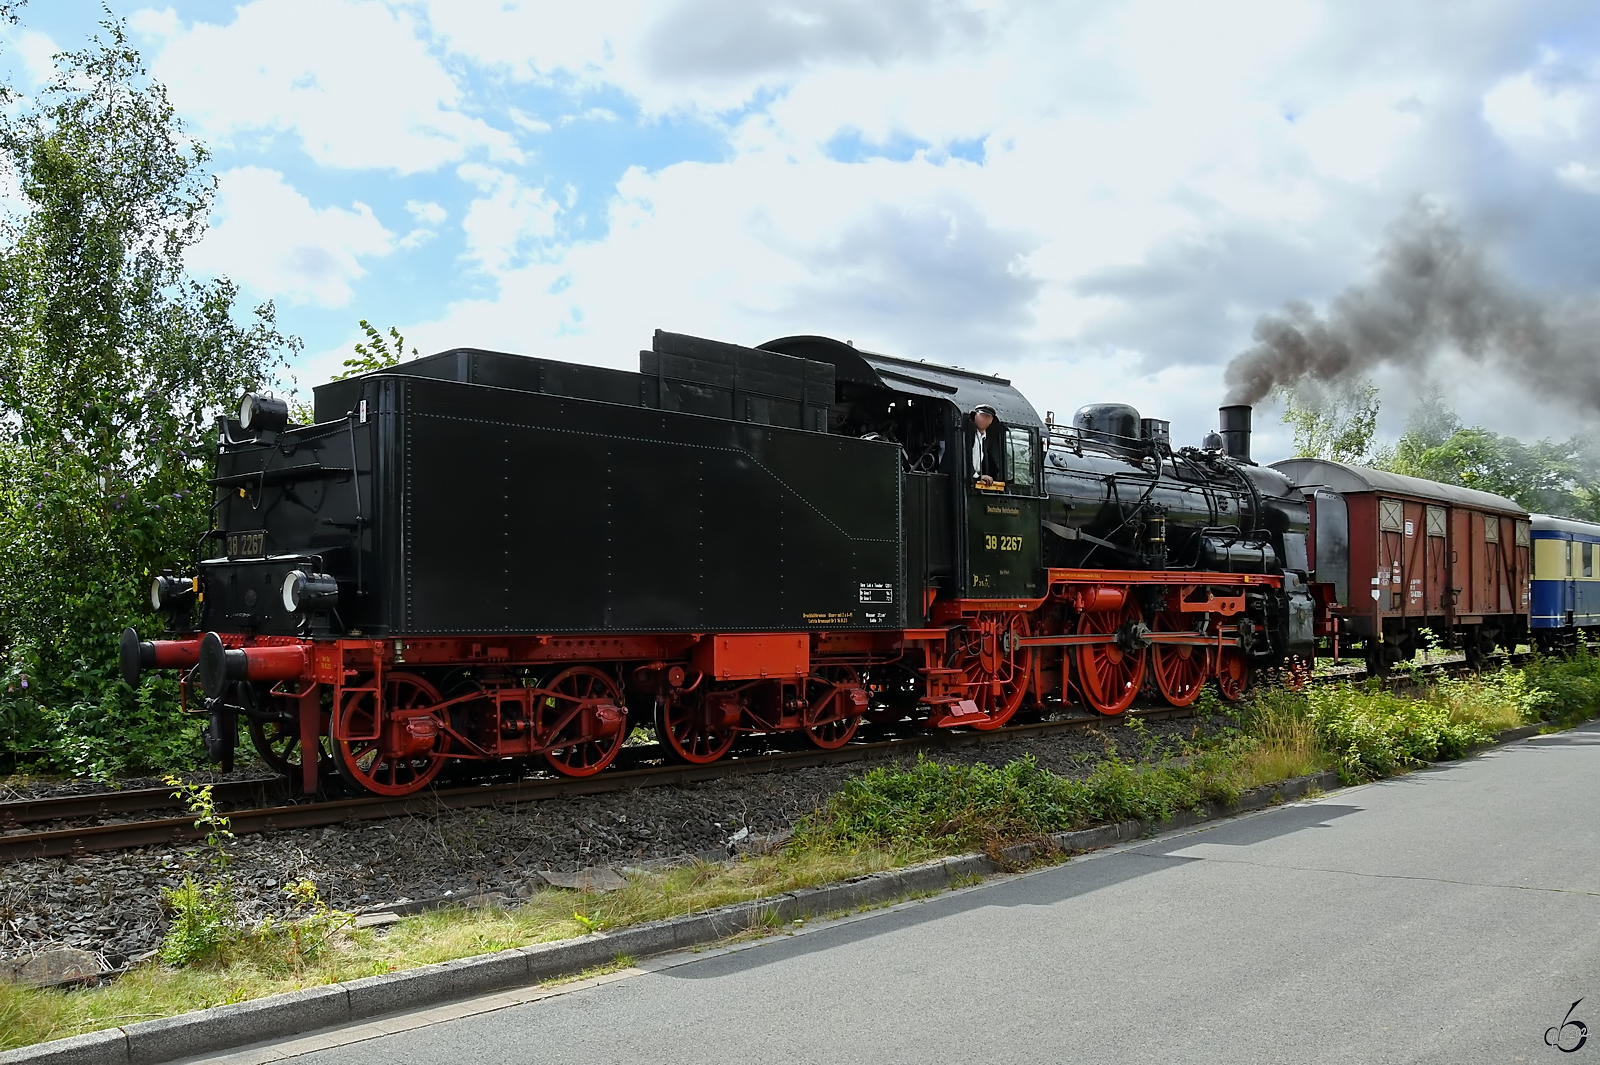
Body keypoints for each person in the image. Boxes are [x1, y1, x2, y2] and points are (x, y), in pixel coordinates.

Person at [965, 403, 1007, 485]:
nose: (983, 419)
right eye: (981, 416)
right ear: (976, 416)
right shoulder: (968, 434)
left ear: (990, 421)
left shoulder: (985, 439)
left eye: (986, 417)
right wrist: (976, 476)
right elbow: (963, 457)